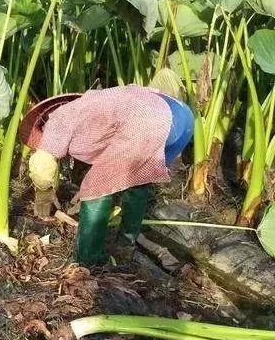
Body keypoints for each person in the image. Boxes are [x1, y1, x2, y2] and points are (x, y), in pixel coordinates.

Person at [23, 84, 195, 266]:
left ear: (41, 126)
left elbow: (41, 164)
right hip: (180, 116)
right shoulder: (87, 103)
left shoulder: (56, 122)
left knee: (96, 187)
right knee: (139, 180)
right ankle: (126, 243)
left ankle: (87, 261)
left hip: (148, 124)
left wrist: (43, 195)